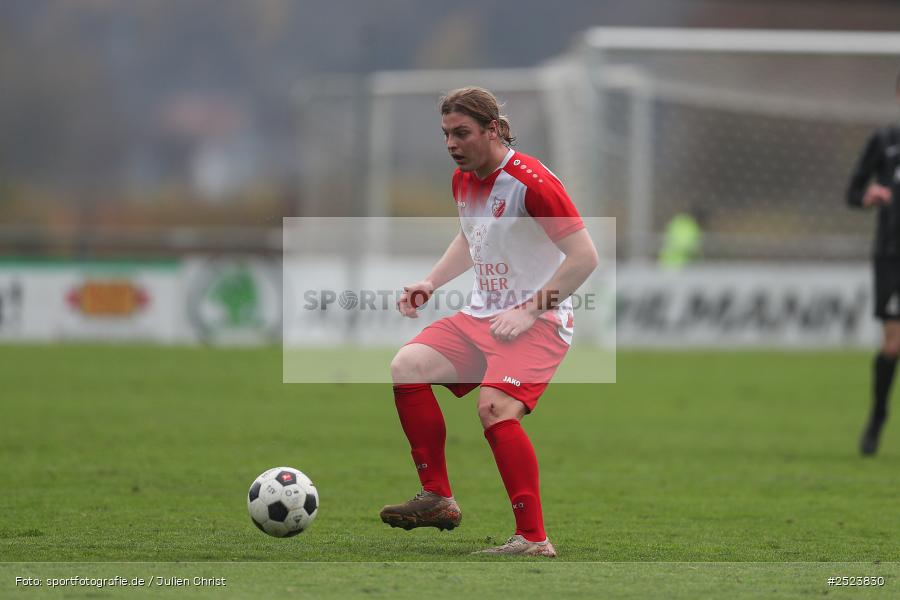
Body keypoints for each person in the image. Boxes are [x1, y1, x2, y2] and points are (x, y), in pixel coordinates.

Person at [381, 87, 599, 556]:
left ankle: (533, 539)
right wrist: (432, 282)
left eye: (462, 133)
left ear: (494, 130)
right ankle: (438, 497)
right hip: (482, 317)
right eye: (446, 135)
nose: (451, 145)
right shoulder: (463, 179)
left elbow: (584, 257)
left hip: (538, 322)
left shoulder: (531, 181)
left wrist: (529, 310)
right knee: (407, 367)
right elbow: (470, 237)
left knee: (494, 409)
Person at [846, 73, 900, 455]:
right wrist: (869, 195)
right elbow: (851, 193)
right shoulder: (884, 142)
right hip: (891, 254)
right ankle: (878, 418)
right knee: (894, 342)